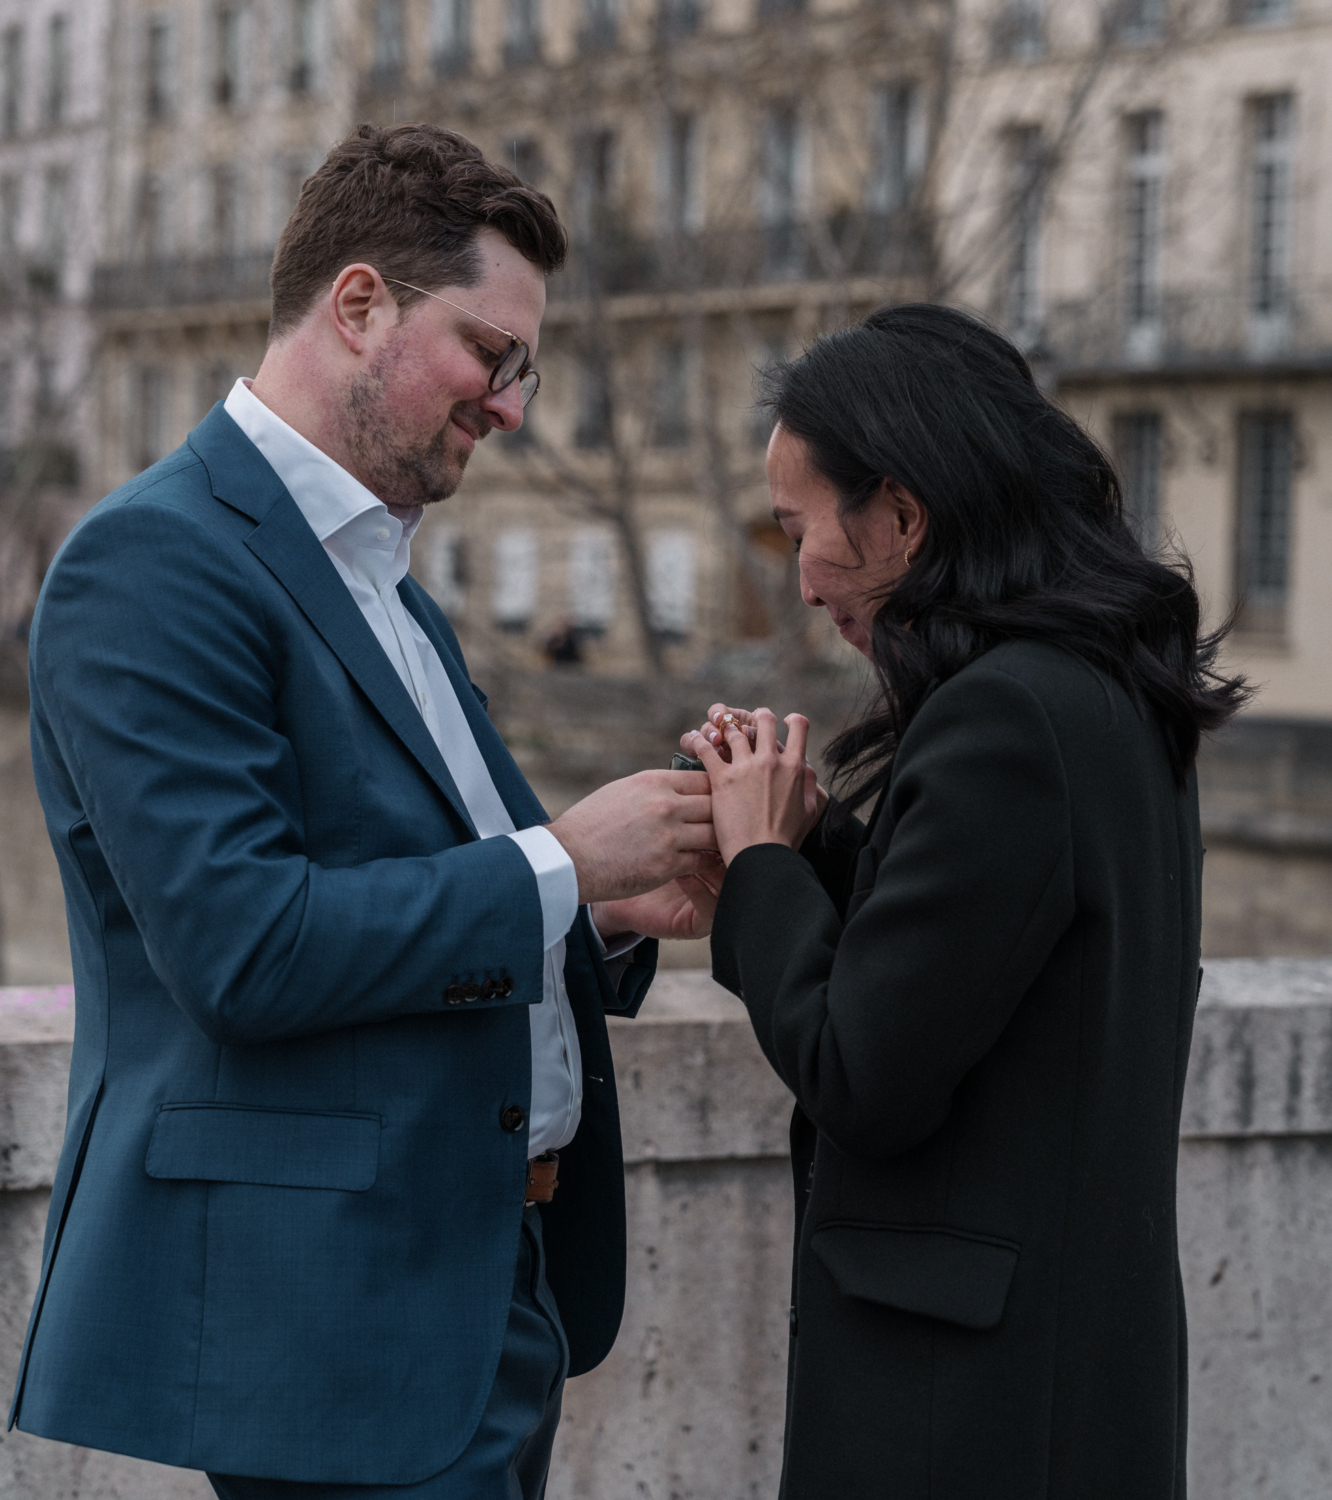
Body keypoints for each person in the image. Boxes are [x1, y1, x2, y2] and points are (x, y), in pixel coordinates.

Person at [9, 124, 721, 1500]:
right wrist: (563, 863)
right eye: (492, 354)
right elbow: (244, 948)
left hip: (471, 1288)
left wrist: (610, 908)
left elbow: (444, 881)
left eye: (527, 369)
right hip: (332, 1320)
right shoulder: (150, 561)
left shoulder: (379, 574)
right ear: (358, 306)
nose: (512, 405)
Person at [683, 304, 1248, 1499]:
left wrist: (763, 872)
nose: (801, 582)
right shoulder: (1097, 693)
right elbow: (978, 956)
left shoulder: (1003, 721)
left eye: (802, 529)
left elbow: (864, 1070)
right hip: (1059, 1387)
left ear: (899, 515)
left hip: (965, 1416)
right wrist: (810, 835)